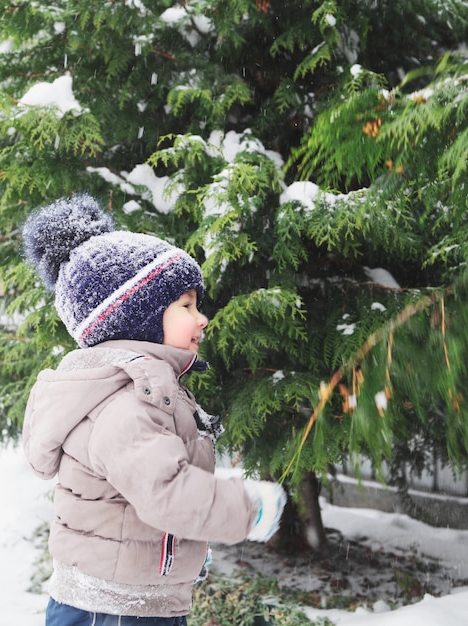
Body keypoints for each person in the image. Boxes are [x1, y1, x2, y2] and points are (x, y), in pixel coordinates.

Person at [22, 193, 286, 626]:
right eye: (186, 306)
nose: (201, 319)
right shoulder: (123, 405)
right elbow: (167, 492)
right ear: (135, 318)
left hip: (131, 601)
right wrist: (247, 507)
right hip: (113, 609)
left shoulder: (144, 390)